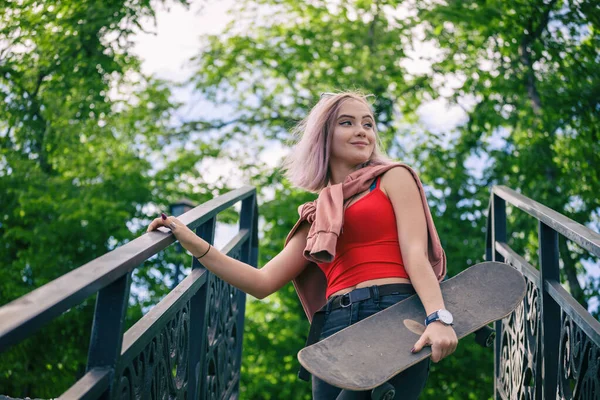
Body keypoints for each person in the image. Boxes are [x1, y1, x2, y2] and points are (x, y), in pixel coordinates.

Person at [146, 91, 458, 399]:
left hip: (394, 314)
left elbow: (415, 252)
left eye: (368, 124)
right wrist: (193, 242)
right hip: (332, 329)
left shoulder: (393, 178)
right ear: (324, 136)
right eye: (347, 123)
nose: (362, 131)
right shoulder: (317, 216)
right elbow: (262, 282)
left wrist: (437, 317)